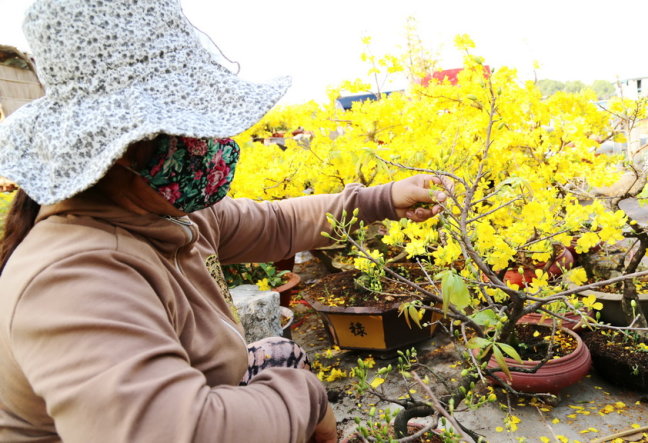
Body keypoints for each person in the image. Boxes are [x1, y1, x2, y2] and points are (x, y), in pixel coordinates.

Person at [0, 1, 446, 442]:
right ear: (125, 148)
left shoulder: (160, 215)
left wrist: (383, 199)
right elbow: (180, 432)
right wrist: (306, 399)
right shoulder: (72, 279)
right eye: (196, 128)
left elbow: (277, 224)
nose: (215, 146)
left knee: (282, 353)